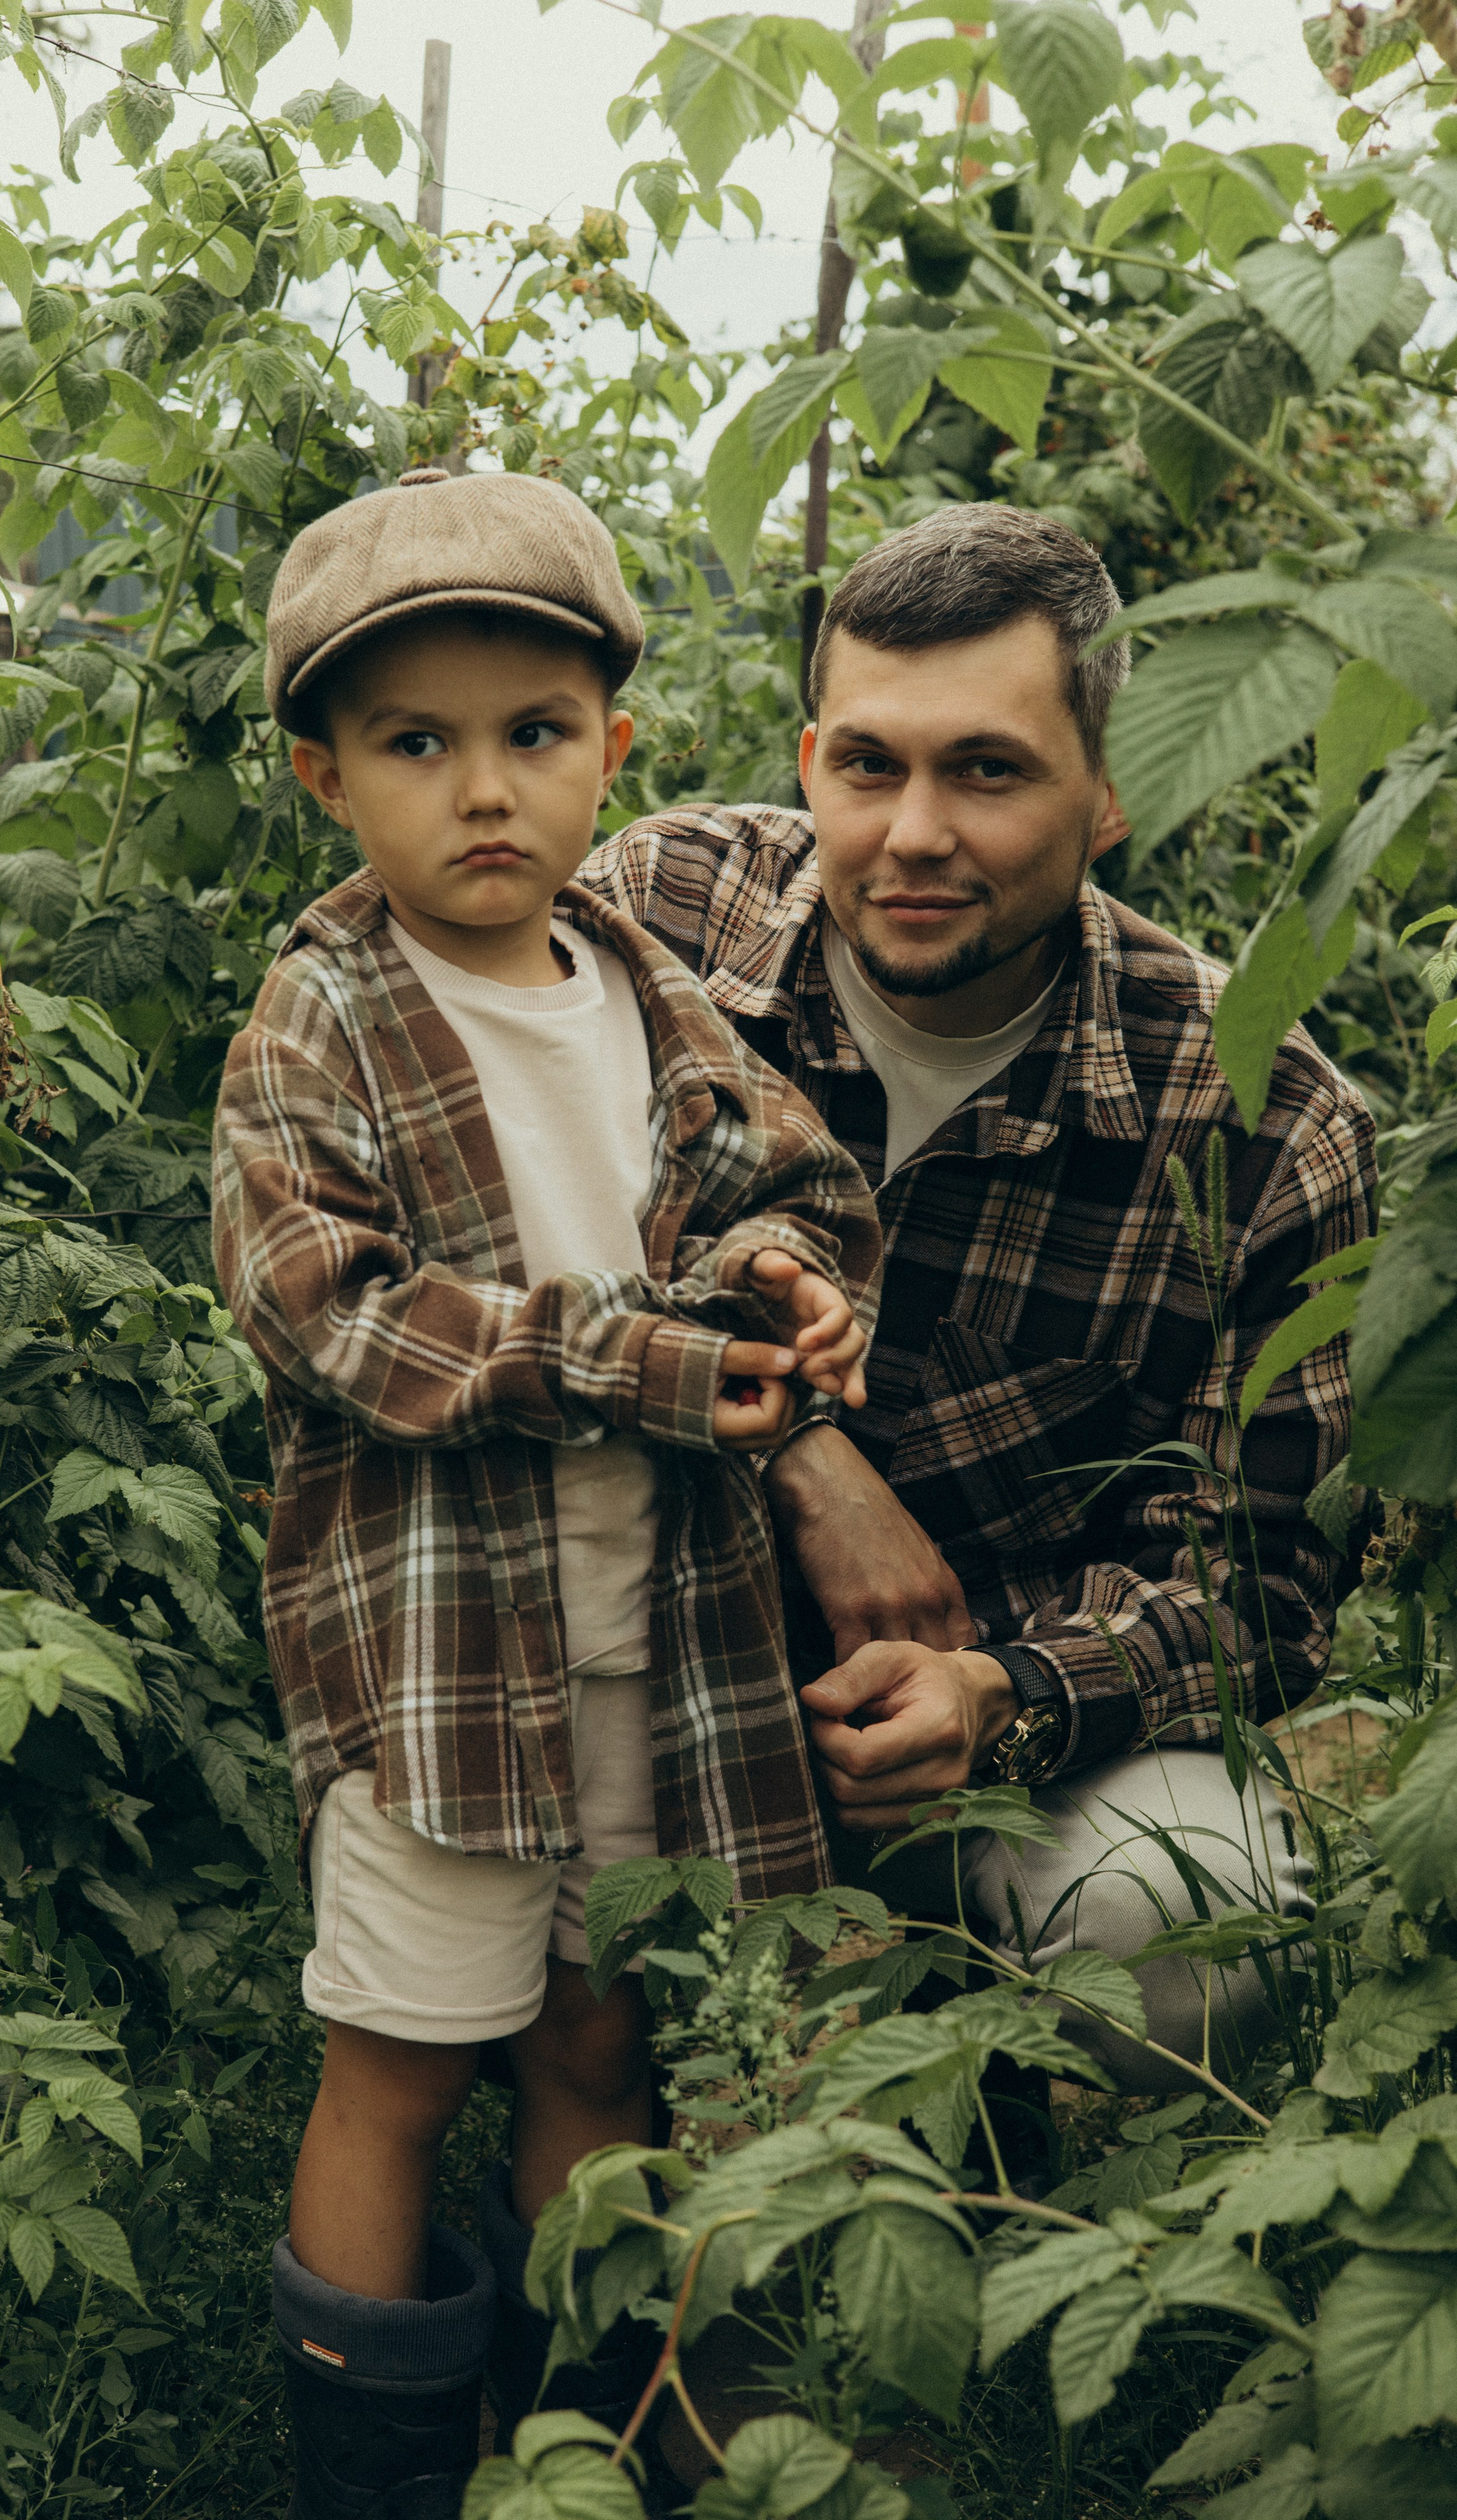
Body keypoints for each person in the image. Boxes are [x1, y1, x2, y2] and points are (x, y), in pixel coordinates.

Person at [211, 465, 882, 2520]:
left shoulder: (647, 990)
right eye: (418, 745)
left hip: (659, 1639)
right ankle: (379, 2461)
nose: (483, 792)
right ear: (328, 778)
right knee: (401, 2063)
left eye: (533, 736)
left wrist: (796, 1278)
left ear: (616, 750)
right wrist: (630, 1353)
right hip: (444, 1664)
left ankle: (580, 2425)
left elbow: (776, 1172)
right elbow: (328, 1308)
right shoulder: (322, 1015)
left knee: (600, 2041)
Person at [584, 502, 1374, 2102]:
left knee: (1189, 1917)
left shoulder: (1256, 1118)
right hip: (640, 1647)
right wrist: (804, 1451)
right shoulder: (651, 920)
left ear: (1106, 798)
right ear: (807, 758)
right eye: (868, 765)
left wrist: (996, 1698)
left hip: (993, 1734)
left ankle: (991, 2100)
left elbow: (1262, 1578)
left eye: (988, 771)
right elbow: (490, 1219)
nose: (913, 832)